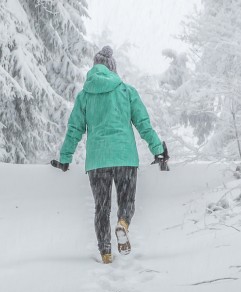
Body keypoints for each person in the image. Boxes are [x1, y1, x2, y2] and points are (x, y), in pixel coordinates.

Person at [52, 46, 168, 264]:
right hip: (124, 158)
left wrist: (65, 158)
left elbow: (74, 129)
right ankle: (123, 223)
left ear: (95, 68)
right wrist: (158, 150)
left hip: (97, 161)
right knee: (127, 201)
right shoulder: (126, 91)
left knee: (101, 208)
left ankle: (106, 254)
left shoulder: (85, 95)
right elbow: (143, 125)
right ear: (113, 69)